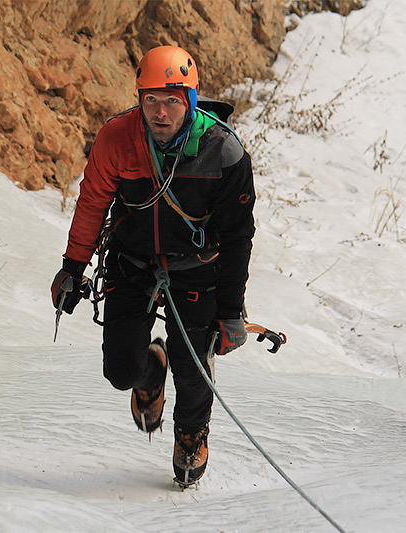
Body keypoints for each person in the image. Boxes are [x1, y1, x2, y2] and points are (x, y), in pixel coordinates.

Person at [51, 45, 255, 486]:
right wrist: (73, 267)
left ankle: (190, 433)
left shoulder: (223, 152)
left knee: (194, 364)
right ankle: (149, 368)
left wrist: (232, 311)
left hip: (199, 266)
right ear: (139, 99)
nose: (160, 113)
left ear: (191, 100)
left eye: (172, 102)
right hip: (132, 259)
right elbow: (92, 203)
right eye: (150, 101)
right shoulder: (117, 139)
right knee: (120, 369)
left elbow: (238, 238)